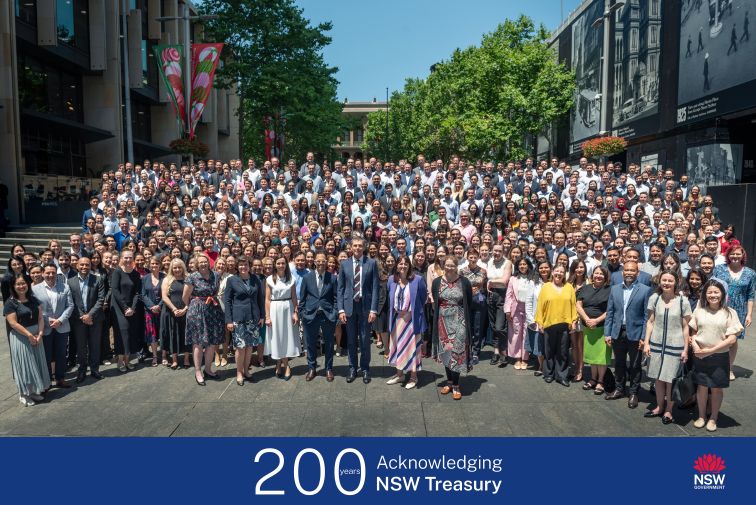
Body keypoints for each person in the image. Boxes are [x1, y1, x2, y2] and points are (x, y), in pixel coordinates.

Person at [689, 279, 743, 432]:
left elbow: (732, 339)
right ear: (705, 295)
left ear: (722, 294)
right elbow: (693, 332)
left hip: (719, 357)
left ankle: (713, 417)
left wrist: (711, 351)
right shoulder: (699, 311)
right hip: (700, 356)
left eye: (716, 292)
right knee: (702, 387)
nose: (713, 295)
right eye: (709, 292)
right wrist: (695, 346)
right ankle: (701, 416)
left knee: (717, 389)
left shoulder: (730, 312)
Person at [642, 270, 692, 425]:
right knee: (658, 377)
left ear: (676, 282)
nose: (666, 283)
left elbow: (686, 327)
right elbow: (650, 322)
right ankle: (659, 406)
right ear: (660, 281)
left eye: (670, 280)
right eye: (664, 280)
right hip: (656, 344)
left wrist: (685, 349)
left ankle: (669, 410)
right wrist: (646, 342)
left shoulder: (683, 301)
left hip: (675, 345)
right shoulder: (654, 298)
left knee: (670, 379)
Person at [604, 261, 653, 408]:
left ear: (638, 273)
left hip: (636, 334)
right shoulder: (615, 289)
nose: (629, 273)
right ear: (622, 272)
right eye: (627, 270)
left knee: (635, 365)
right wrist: (607, 333)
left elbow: (647, 316)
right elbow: (610, 312)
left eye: (633, 270)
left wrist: (644, 337)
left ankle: (633, 393)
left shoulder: (645, 290)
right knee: (618, 363)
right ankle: (619, 389)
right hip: (618, 332)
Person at [337, 235, 379, 384]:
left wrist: (374, 310)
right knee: (351, 341)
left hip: (365, 306)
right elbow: (340, 288)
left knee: (365, 340)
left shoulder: (372, 263)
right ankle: (352, 368)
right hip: (349, 307)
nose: (357, 248)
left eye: (360, 246)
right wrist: (340, 310)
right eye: (354, 246)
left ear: (364, 247)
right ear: (351, 247)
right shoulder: (345, 264)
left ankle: (365, 369)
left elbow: (375, 288)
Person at [4, 274, 50, 406]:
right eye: (18, 284)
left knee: (36, 363)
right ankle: (23, 394)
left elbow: (40, 318)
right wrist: (29, 335)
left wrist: (40, 333)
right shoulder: (10, 303)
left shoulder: (33, 299)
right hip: (21, 336)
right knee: (25, 365)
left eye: (23, 283)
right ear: (13, 286)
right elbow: (13, 323)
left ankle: (33, 392)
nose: (21, 286)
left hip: (36, 335)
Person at [432, 256, 473, 400]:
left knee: (457, 352)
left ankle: (456, 384)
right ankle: (449, 382)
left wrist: (467, 323)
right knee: (446, 352)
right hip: (442, 321)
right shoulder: (437, 282)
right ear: (443, 266)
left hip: (459, 320)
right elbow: (436, 302)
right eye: (447, 265)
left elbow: (469, 301)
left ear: (456, 266)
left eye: (452, 265)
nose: (449, 268)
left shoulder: (464, 282)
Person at [713, 246, 755, 380]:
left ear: (743, 256)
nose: (735, 256)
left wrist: (749, 314)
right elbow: (712, 287)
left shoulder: (750, 273)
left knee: (732, 340)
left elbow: (751, 295)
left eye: (738, 254)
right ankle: (714, 365)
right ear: (728, 255)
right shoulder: (719, 269)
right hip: (720, 307)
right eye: (732, 254)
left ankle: (729, 368)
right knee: (717, 336)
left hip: (739, 311)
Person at [386, 256, 428, 389]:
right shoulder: (391, 280)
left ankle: (413, 377)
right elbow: (390, 299)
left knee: (412, 349)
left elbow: (422, 299)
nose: (402, 266)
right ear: (396, 266)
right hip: (397, 320)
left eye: (405, 264)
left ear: (409, 266)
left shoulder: (418, 280)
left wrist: (412, 313)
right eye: (400, 264)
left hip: (411, 321)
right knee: (398, 347)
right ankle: (400, 375)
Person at [183, 254, 225, 386]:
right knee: (198, 343)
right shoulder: (192, 277)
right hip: (197, 312)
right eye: (200, 262)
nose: (203, 264)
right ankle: (197, 371)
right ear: (196, 264)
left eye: (205, 261)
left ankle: (208, 369)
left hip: (213, 310)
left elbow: (215, 291)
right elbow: (185, 297)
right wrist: (195, 305)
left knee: (212, 342)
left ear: (209, 262)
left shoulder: (216, 275)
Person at [223, 255, 265, 386]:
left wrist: (262, 316)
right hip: (239, 319)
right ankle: (239, 373)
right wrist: (229, 320)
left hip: (253, 318)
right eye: (240, 264)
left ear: (249, 266)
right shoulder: (232, 280)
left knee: (249, 347)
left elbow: (260, 298)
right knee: (240, 348)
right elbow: (227, 300)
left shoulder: (255, 279)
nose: (243, 267)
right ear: (237, 266)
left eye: (245, 264)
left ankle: (246, 370)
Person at [534, 265, 577, 387]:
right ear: (552, 272)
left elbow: (573, 305)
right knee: (549, 351)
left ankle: (561, 376)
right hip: (549, 323)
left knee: (562, 352)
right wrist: (540, 322)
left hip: (564, 324)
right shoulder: (546, 287)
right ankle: (549, 374)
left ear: (565, 274)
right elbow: (540, 306)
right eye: (557, 271)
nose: (559, 273)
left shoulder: (569, 287)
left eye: (561, 272)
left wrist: (574, 321)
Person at [299, 252, 339, 382]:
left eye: (323, 261)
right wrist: (302, 313)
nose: (321, 263)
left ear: (326, 262)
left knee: (329, 343)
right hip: (310, 315)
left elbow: (335, 297)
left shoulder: (332, 278)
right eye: (319, 261)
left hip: (327, 315)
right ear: (314, 262)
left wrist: (335, 312)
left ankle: (328, 368)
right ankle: (312, 368)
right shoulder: (307, 277)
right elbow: (303, 298)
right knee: (310, 343)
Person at [33, 263, 74, 388]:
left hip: (62, 326)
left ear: (56, 273)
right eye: (48, 273)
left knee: (61, 353)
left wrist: (60, 320)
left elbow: (70, 306)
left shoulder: (65, 287)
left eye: (53, 273)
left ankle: (60, 378)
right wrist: (47, 320)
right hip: (45, 327)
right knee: (46, 354)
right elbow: (35, 309)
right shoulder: (35, 289)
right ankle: (47, 381)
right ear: (43, 273)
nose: (50, 275)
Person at [68, 256, 105, 383]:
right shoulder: (70, 281)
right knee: (81, 347)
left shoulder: (98, 280)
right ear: (77, 266)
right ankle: (82, 371)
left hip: (95, 318)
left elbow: (101, 299)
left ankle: (95, 370)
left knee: (95, 345)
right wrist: (83, 316)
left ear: (90, 266)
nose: (84, 267)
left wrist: (89, 315)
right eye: (82, 265)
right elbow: (70, 302)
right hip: (78, 320)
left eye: (87, 265)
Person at [576, 266, 611, 394]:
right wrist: (587, 319)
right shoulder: (585, 288)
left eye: (601, 274)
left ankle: (601, 381)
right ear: (592, 275)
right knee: (591, 356)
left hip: (602, 328)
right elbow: (578, 305)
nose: (598, 276)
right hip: (588, 327)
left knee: (601, 357)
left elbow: (611, 309)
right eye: (596, 273)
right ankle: (593, 378)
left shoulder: (610, 290)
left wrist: (596, 320)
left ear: (606, 276)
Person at [265, 256, 300, 380]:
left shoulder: (291, 279)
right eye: (278, 263)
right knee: (277, 337)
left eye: (283, 263)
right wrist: (267, 316)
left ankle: (282, 364)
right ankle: (283, 364)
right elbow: (268, 299)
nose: (281, 265)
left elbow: (294, 297)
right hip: (275, 309)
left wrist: (295, 312)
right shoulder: (270, 279)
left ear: (286, 265)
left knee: (286, 337)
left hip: (288, 308)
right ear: (275, 265)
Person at [109, 250, 142, 372]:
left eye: (130, 258)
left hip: (132, 308)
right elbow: (115, 291)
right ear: (121, 258)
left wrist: (132, 308)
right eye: (126, 257)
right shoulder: (117, 272)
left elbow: (137, 293)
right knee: (122, 332)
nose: (128, 260)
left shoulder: (136, 274)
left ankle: (127, 360)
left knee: (130, 333)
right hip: (119, 307)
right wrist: (125, 307)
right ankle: (120, 361)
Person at [504, 257, 534, 369]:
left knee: (526, 333)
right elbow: (509, 295)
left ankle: (525, 358)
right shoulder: (513, 279)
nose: (522, 266)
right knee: (516, 333)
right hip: (515, 309)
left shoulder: (533, 278)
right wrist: (507, 310)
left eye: (525, 264)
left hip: (529, 309)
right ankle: (517, 358)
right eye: (520, 264)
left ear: (528, 266)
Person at [459, 248, 487, 365]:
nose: (473, 259)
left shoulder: (483, 271)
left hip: (479, 301)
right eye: (471, 257)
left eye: (475, 257)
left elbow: (485, 286)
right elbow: (459, 286)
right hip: (466, 301)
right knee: (466, 328)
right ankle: (467, 351)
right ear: (467, 257)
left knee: (477, 327)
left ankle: (475, 352)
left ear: (478, 257)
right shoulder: (462, 271)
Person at [160, 258, 189, 370]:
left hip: (185, 311)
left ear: (183, 268)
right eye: (175, 267)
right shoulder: (167, 279)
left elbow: (191, 296)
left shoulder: (188, 279)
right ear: (172, 268)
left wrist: (185, 308)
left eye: (179, 267)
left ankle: (186, 358)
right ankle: (175, 359)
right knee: (173, 334)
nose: (177, 269)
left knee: (185, 334)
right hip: (171, 311)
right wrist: (174, 309)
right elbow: (164, 296)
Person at [486, 243, 511, 366]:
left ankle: (504, 352)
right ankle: (496, 352)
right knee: (493, 325)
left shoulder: (507, 263)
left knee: (500, 326)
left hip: (502, 295)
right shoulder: (490, 262)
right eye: (494, 250)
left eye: (499, 251)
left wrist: (491, 282)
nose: (496, 253)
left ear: (503, 252)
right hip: (491, 295)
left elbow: (505, 280)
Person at [526, 261, 551, 376]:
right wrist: (531, 319)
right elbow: (529, 301)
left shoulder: (555, 282)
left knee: (550, 344)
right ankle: (541, 365)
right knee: (539, 344)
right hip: (537, 319)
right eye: (541, 268)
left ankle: (550, 366)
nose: (544, 269)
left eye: (546, 267)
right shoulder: (533, 282)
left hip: (552, 319)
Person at [140, 256, 163, 367]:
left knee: (163, 333)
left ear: (160, 265)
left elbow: (167, 294)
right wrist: (152, 306)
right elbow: (142, 295)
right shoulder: (145, 278)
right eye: (152, 264)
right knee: (153, 335)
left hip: (162, 309)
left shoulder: (165, 277)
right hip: (149, 311)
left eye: (156, 263)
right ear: (149, 265)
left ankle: (164, 355)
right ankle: (154, 356)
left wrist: (159, 305)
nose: (154, 266)